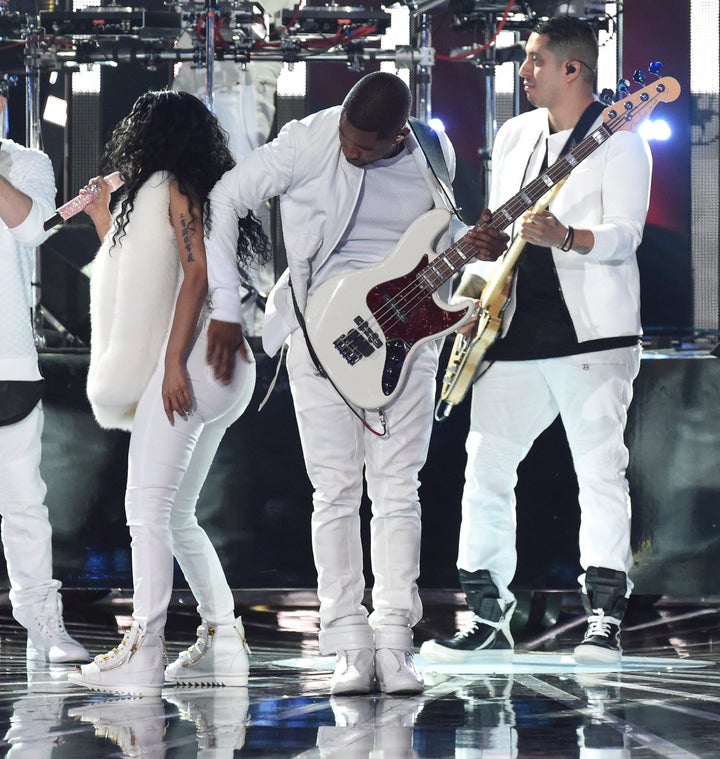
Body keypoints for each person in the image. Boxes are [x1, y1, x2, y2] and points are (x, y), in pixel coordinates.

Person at [204, 71, 508, 695]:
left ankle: (395, 640)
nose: (352, 151)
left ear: (398, 134)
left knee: (399, 492)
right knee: (334, 493)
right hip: (322, 336)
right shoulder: (307, 140)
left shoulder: (433, 150)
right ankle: (345, 641)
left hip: (408, 337)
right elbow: (225, 199)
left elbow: (438, 242)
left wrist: (473, 246)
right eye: (348, 137)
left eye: (367, 147)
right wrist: (232, 309)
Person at [420, 16, 652, 665]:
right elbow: (499, 236)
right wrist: (469, 295)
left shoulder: (621, 141)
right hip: (512, 329)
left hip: (592, 337)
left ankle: (604, 615)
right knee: (486, 466)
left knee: (600, 470)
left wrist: (569, 237)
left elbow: (627, 236)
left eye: (534, 61)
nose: (523, 72)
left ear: (571, 69)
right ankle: (487, 616)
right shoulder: (515, 133)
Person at [68, 90, 269, 696]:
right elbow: (132, 273)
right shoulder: (178, 190)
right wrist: (102, 215)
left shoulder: (176, 187)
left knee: (145, 509)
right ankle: (222, 640)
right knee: (176, 515)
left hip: (199, 358)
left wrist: (175, 362)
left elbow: (198, 274)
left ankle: (144, 647)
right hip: (225, 364)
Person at [0, 138, 90, 664]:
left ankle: (41, 620)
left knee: (24, 504)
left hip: (9, 358)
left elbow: (35, 229)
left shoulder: (28, 162)